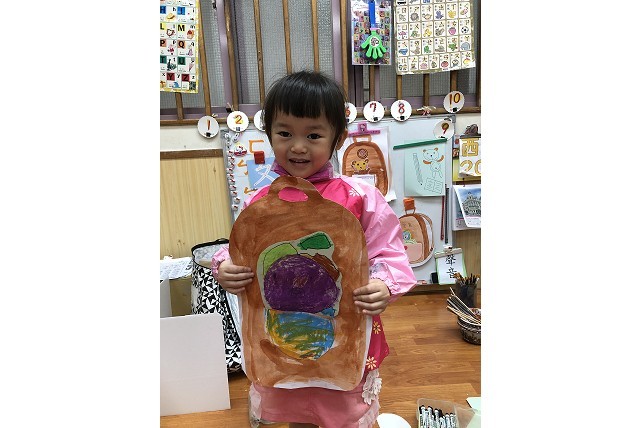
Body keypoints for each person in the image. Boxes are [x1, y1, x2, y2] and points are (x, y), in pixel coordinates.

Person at [212, 70, 416, 428]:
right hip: (280, 334)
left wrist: (384, 285)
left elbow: (388, 251)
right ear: (269, 134)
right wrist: (225, 267)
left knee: (343, 408)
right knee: (295, 404)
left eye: (313, 135)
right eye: (285, 133)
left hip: (344, 330)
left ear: (338, 139)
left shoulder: (359, 197)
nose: (298, 146)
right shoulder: (259, 202)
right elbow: (241, 251)